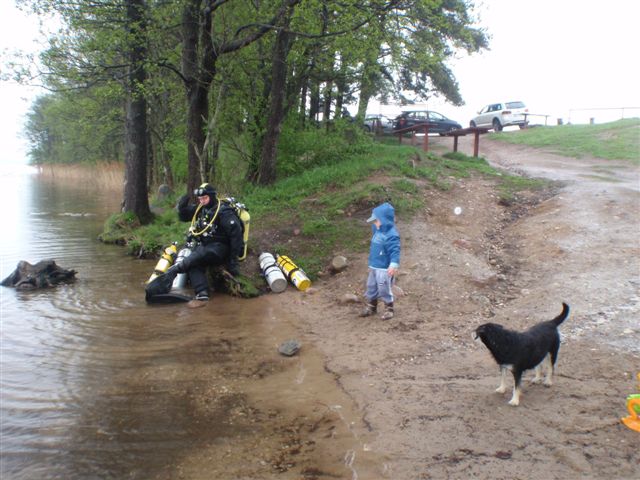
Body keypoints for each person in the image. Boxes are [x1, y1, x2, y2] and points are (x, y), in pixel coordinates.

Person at [164, 182, 244, 301]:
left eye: (205, 198)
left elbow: (236, 234)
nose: (202, 201)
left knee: (198, 256)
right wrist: (182, 205)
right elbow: (184, 217)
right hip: (206, 246)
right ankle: (202, 292)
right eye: (200, 199)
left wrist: (233, 261)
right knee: (194, 264)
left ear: (212, 196)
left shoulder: (223, 211)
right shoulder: (202, 209)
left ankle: (174, 270)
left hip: (220, 247)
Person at [359, 202, 401, 320]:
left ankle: (389, 308)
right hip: (374, 266)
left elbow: (395, 251)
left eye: (376, 220)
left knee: (383, 287)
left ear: (385, 220)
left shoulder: (391, 235)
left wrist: (393, 265)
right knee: (371, 285)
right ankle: (372, 306)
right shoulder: (377, 230)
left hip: (384, 268)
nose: (374, 223)